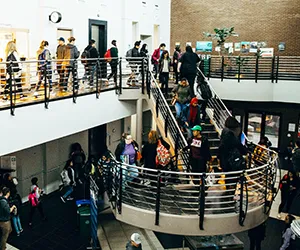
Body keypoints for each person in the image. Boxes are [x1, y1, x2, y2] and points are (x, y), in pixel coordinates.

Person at [218, 117, 247, 199]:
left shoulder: (224, 132)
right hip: (232, 161)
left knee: (228, 178)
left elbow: (221, 146)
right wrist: (245, 151)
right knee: (233, 178)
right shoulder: (231, 134)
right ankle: (230, 196)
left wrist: (219, 157)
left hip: (225, 160)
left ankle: (229, 193)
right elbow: (238, 144)